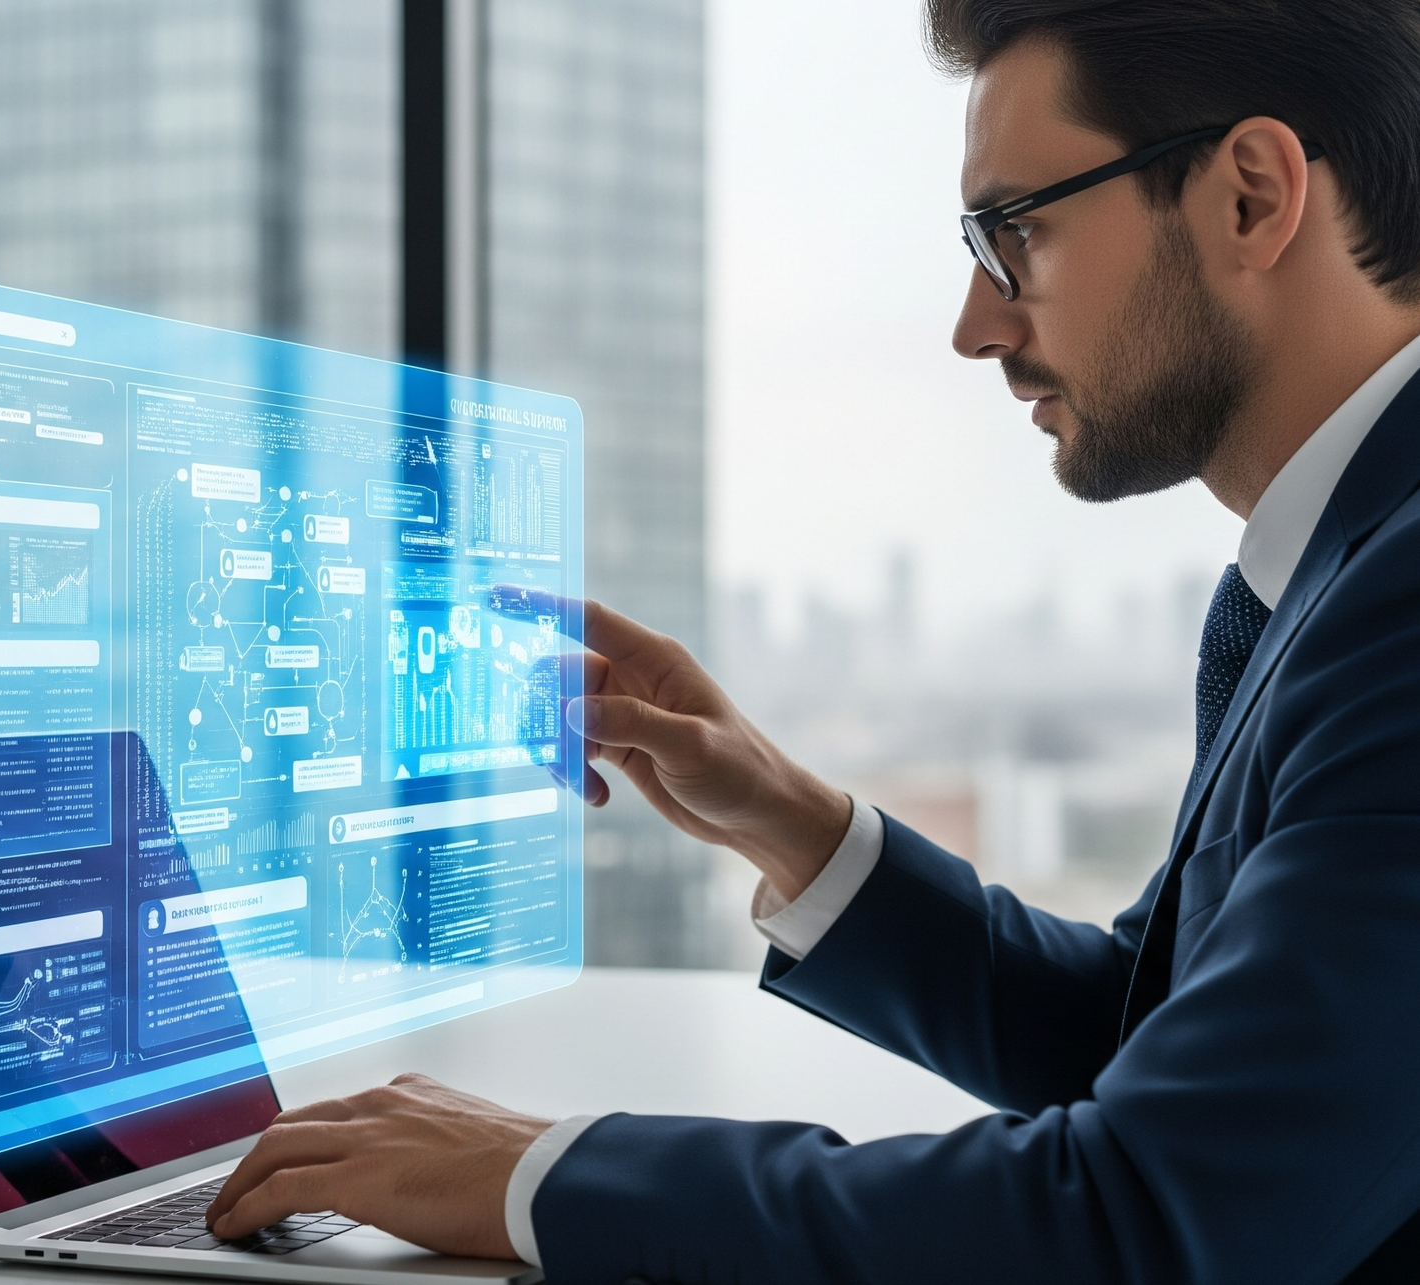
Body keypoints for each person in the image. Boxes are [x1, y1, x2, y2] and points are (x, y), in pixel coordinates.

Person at [202, 1, 1420, 1280]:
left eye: (1018, 233)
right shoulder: (1344, 568)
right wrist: (786, 818)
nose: (977, 323)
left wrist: (537, 1174)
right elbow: (1158, 1035)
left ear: (1250, 197)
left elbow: (1153, 1219)